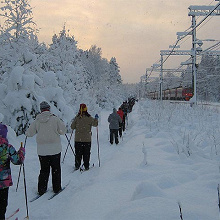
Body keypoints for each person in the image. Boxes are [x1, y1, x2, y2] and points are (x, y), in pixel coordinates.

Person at [25, 101, 66, 195]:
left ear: (41, 110)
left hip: (42, 151)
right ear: (49, 109)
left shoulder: (37, 120)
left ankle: (42, 189)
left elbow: (29, 133)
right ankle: (56, 188)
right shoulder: (55, 119)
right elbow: (63, 131)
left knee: (44, 170)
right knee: (56, 169)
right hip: (55, 149)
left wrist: (27, 133)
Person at [0, 123, 25, 220]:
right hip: (3, 182)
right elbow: (18, 160)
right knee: (2, 204)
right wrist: (22, 152)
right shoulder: (8, 147)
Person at [71, 103, 98, 171]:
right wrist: (96, 119)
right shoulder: (89, 118)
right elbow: (95, 124)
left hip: (78, 139)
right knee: (86, 153)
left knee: (78, 153)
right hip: (87, 139)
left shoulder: (77, 118)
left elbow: (72, 127)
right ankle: (86, 165)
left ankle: (77, 165)